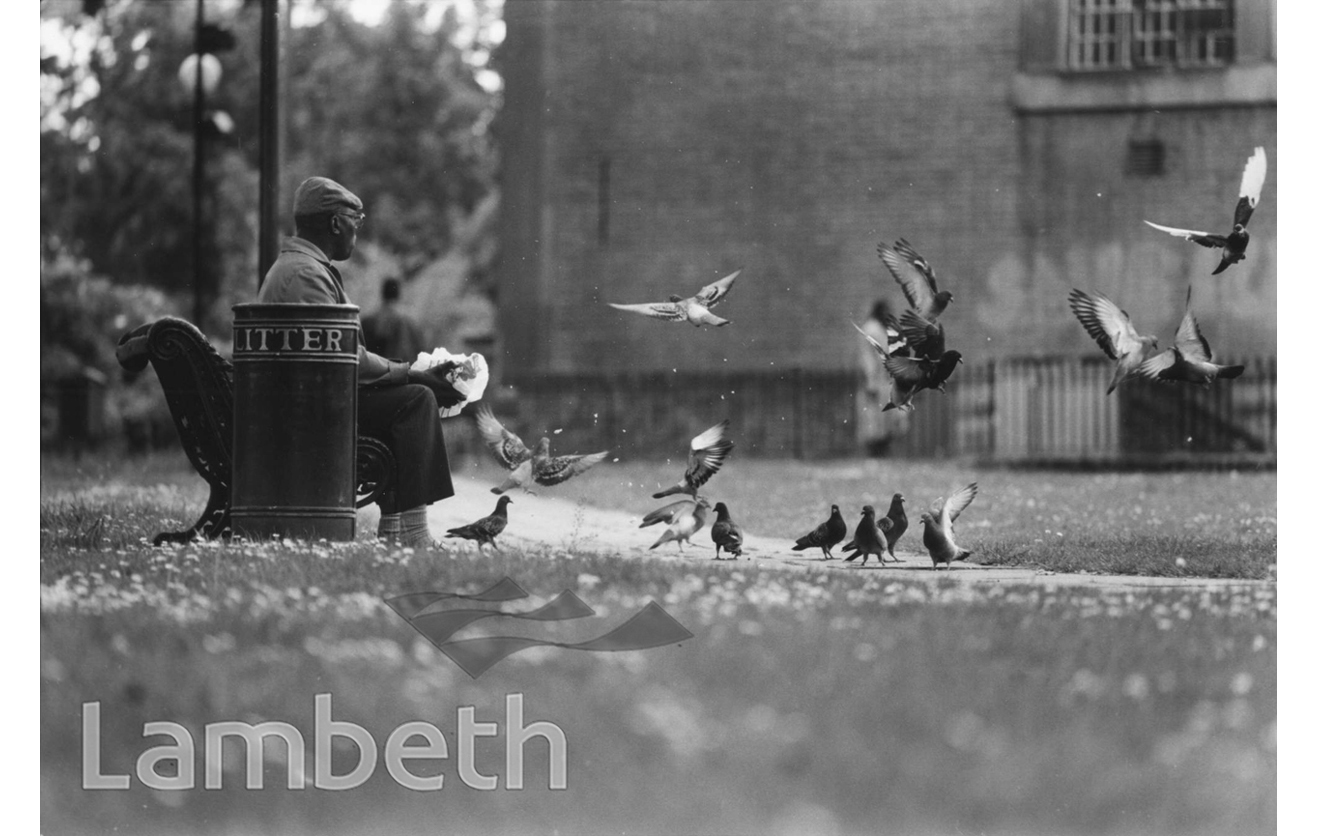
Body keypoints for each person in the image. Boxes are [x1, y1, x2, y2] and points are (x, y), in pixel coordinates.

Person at [258, 176, 462, 549]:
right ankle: (412, 535)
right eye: (356, 219)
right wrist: (408, 373)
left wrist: (404, 374)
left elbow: (340, 355)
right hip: (311, 415)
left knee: (411, 392)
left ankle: (397, 531)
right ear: (336, 223)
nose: (357, 229)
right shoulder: (305, 274)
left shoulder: (301, 267)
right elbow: (344, 359)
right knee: (415, 400)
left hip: (305, 404)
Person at [857, 298, 909, 456]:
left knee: (887, 421)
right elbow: (868, 358)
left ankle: (883, 448)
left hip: (885, 381)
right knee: (875, 422)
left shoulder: (882, 329)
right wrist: (871, 381)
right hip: (876, 382)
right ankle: (876, 450)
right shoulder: (872, 329)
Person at [362, 277, 425, 363]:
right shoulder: (409, 322)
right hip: (403, 370)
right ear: (399, 294)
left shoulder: (369, 321)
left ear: (382, 293)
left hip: (377, 371)